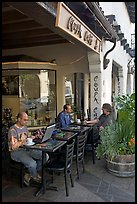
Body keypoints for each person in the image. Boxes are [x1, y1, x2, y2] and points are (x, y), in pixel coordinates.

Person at [8, 112, 49, 186]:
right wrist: (21, 141)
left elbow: (27, 138)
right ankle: (35, 176)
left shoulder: (24, 127)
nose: (26, 122)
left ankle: (29, 174)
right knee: (32, 163)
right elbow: (13, 147)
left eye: (27, 120)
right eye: (25, 120)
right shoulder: (12, 130)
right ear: (19, 119)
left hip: (27, 149)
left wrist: (35, 136)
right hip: (16, 152)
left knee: (45, 156)